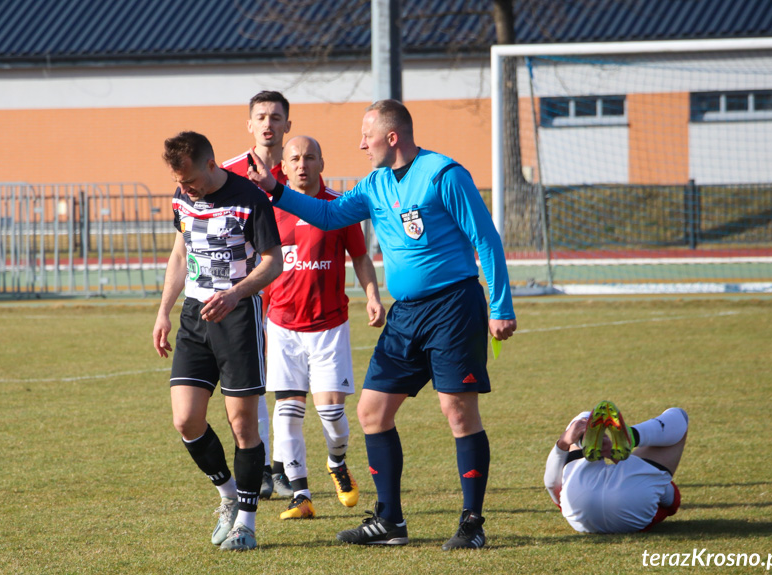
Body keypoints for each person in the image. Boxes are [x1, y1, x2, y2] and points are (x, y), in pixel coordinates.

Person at [247, 99, 517, 550]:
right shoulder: (373, 184)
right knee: (372, 412)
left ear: (391, 137)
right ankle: (390, 522)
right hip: (406, 313)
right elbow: (330, 215)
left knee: (458, 412)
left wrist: (501, 306)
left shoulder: (443, 174)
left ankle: (472, 523)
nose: (360, 144)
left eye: (366, 136)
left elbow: (485, 238)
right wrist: (276, 189)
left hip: (453, 307)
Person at [152, 131, 282, 551]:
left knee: (243, 424)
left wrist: (236, 292)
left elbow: (273, 262)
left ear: (212, 164)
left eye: (190, 180)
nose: (185, 188)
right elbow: (179, 252)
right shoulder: (182, 197)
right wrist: (163, 312)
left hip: (238, 316)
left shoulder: (250, 199)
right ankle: (228, 496)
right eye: (179, 182)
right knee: (186, 420)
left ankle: (246, 522)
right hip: (194, 315)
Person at [266, 135, 385, 521]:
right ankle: (300, 495)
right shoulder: (268, 208)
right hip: (282, 325)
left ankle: (337, 462)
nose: (302, 164)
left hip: (329, 325)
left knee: (331, 415)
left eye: (310, 157)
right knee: (287, 411)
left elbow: (361, 257)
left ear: (322, 163)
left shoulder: (338, 207)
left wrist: (372, 295)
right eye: (295, 158)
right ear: (283, 166)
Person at [221, 90, 292, 499]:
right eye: (261, 116)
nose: (268, 123)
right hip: (244, 295)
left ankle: (283, 467)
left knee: (287, 384)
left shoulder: (298, 171)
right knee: (251, 385)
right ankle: (261, 467)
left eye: (276, 117)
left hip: (289, 293)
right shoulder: (228, 173)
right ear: (249, 124)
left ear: (287, 125)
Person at [544, 400, 688, 533]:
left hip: (579, 508)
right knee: (679, 415)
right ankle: (632, 436)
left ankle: (583, 438)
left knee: (584, 418)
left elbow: (551, 484)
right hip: (631, 507)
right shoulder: (654, 495)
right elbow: (670, 501)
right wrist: (613, 455)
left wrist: (563, 442)